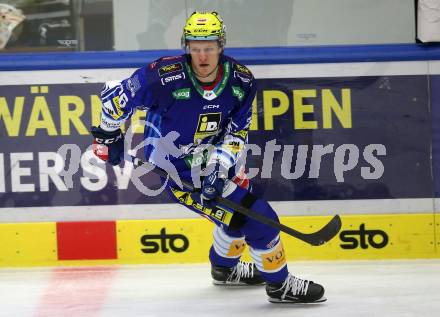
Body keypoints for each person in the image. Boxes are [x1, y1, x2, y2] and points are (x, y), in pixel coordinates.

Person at [91, 11, 326, 304]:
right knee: (262, 221)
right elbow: (115, 98)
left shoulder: (241, 80)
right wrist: (107, 134)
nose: (202, 56)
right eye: (195, 47)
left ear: (221, 46)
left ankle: (224, 270)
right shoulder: (162, 77)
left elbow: (236, 133)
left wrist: (219, 167)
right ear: (186, 47)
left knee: (238, 213)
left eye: (209, 47)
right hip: (178, 172)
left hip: (215, 160)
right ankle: (280, 286)